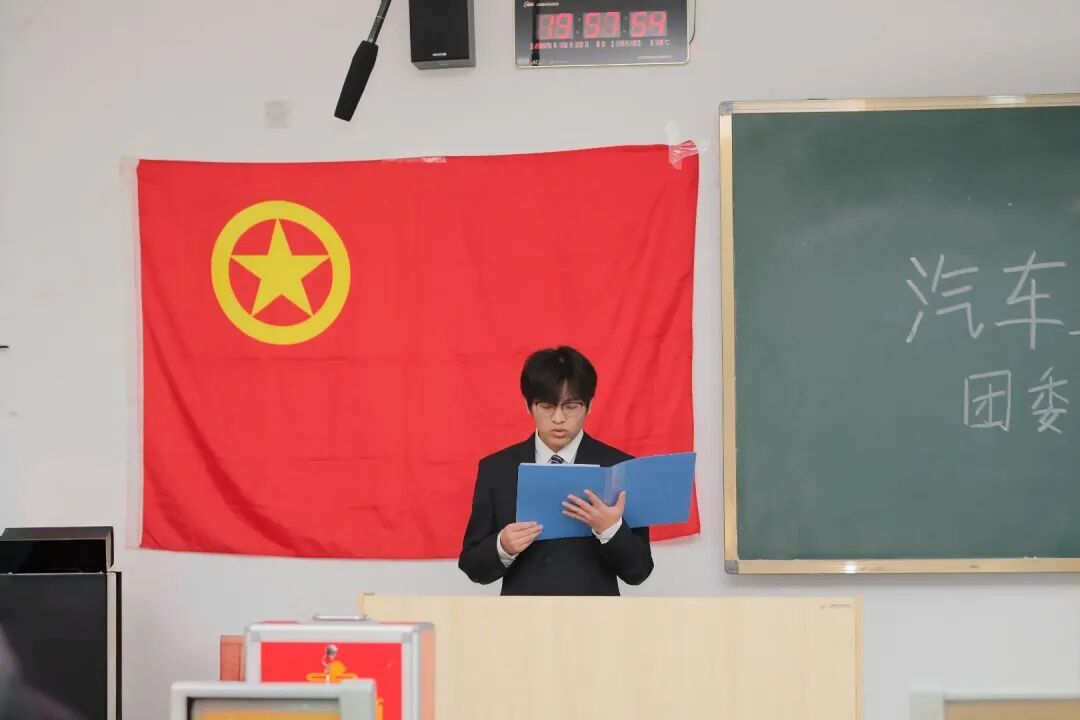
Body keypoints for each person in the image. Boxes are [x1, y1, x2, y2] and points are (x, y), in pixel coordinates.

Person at [458, 346, 653, 595]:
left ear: (589, 406)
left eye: (571, 406)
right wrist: (502, 546)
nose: (558, 418)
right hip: (522, 615)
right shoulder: (497, 469)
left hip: (595, 616)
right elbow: (472, 566)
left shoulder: (619, 468)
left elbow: (639, 571)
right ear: (528, 406)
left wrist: (611, 529)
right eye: (547, 406)